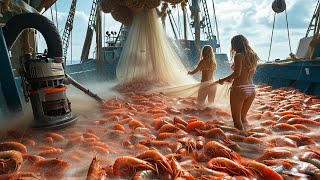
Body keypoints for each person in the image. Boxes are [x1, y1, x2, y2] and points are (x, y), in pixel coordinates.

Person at [216, 35, 259, 131]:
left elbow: (237, 74)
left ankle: (241, 143)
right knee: (243, 118)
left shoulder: (239, 55)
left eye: (232, 44)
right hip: (251, 89)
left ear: (235, 44)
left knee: (236, 120)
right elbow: (246, 73)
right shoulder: (253, 56)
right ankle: (248, 138)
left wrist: (222, 80)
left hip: (239, 88)